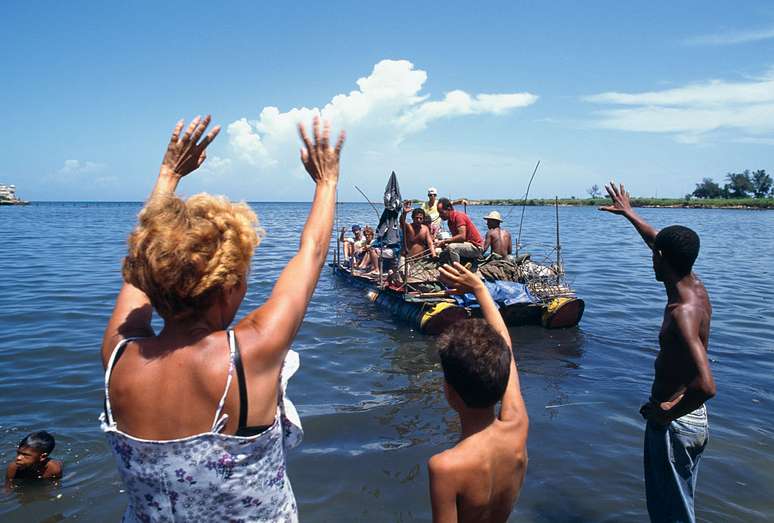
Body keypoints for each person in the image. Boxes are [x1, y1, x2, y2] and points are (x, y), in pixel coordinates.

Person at [100, 115, 344, 522]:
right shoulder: (250, 354)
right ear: (228, 287)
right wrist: (327, 182)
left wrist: (169, 175)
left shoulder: (119, 355)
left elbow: (145, 258)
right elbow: (312, 253)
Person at [600, 182, 715, 523]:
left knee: (672, 515)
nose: (651, 254)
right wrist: (630, 214)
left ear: (661, 258)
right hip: (692, 420)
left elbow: (707, 385)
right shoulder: (692, 283)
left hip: (676, 422)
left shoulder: (683, 312)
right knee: (677, 505)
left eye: (655, 252)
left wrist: (665, 413)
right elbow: (657, 240)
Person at [429, 262, 528, 523]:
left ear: (449, 392)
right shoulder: (518, 428)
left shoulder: (446, 467)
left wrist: (477, 288)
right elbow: (506, 347)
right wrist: (480, 289)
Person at [436, 198, 484, 264]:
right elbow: (457, 240)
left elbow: (462, 237)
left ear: (449, 209)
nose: (440, 215)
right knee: (443, 253)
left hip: (475, 247)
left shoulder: (458, 216)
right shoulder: (450, 222)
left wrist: (445, 241)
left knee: (452, 248)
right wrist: (443, 243)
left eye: (441, 212)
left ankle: (457, 270)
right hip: (467, 244)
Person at [399, 201, 438, 283]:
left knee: (429, 276)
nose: (418, 220)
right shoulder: (409, 227)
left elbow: (430, 243)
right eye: (416, 218)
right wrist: (404, 213)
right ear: (413, 218)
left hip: (420, 261)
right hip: (407, 259)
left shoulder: (425, 229)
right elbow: (401, 222)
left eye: (420, 218)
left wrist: (434, 255)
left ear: (423, 219)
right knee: (404, 278)